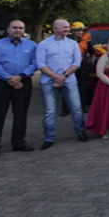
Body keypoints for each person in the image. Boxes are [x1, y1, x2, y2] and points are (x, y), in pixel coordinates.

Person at [0, 19, 37, 159]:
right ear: (8, 29)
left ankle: (18, 142)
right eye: (14, 27)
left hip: (23, 82)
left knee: (21, 114)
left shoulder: (31, 45)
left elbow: (34, 63)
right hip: (0, 83)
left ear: (24, 30)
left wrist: (20, 77)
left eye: (20, 28)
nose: (17, 30)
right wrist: (9, 79)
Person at [36, 19, 88, 150]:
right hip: (48, 81)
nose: (67, 29)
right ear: (55, 29)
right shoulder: (43, 44)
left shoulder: (73, 44)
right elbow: (41, 64)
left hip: (69, 79)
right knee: (49, 111)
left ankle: (80, 132)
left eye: (68, 27)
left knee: (76, 108)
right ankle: (49, 138)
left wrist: (64, 76)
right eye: (64, 27)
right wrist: (56, 77)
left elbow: (76, 63)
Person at [70, 22, 95, 112]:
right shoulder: (68, 41)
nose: (80, 32)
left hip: (83, 68)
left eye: (82, 30)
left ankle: (82, 107)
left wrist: (91, 64)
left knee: (82, 88)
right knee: (68, 88)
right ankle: (66, 109)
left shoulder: (86, 41)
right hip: (70, 68)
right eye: (78, 30)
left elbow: (92, 53)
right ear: (73, 31)